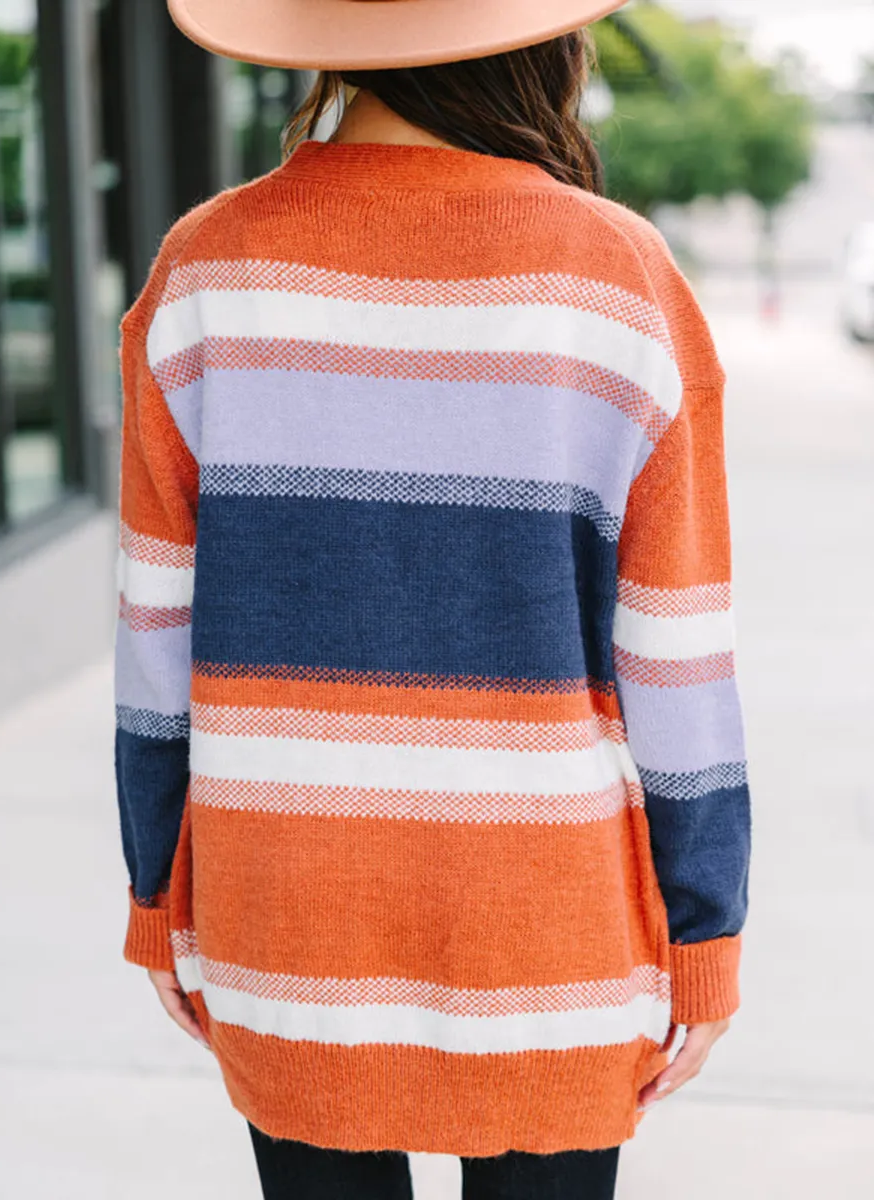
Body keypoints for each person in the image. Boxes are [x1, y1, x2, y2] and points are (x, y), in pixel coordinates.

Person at [114, 0, 752, 1195]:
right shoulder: (619, 279)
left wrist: (159, 892)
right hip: (544, 920)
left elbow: (156, 632)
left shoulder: (204, 269)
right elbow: (675, 653)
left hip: (284, 898)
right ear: (541, 41)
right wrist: (706, 927)